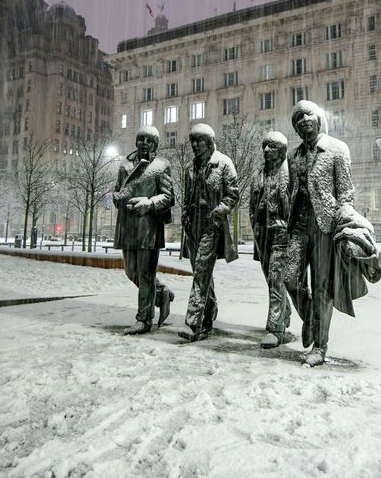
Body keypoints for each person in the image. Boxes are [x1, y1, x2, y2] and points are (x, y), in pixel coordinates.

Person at [287, 100, 377, 367]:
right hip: (299, 227)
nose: (304, 120)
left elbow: (346, 192)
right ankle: (313, 321)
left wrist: (345, 219)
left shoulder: (337, 149)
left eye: (308, 115)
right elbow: (293, 191)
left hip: (325, 226)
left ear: (318, 119)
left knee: (322, 287)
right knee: (289, 279)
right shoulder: (293, 156)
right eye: (298, 118)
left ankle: (320, 346)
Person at [113, 126, 176, 335]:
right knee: (131, 272)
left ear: (155, 145)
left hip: (148, 228)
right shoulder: (124, 165)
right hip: (127, 226)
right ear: (136, 142)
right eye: (141, 139)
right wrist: (115, 197)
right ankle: (161, 295)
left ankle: (144, 319)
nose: (145, 144)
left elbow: (168, 197)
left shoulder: (161, 166)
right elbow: (117, 190)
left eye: (149, 140)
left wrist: (148, 204)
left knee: (146, 274)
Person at [180, 123, 240, 342]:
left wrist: (219, 212)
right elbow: (187, 197)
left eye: (199, 140)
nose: (195, 144)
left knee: (201, 273)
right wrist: (185, 216)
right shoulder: (189, 167)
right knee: (202, 273)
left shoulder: (224, 163)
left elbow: (233, 194)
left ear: (210, 141)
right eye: (192, 140)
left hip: (211, 227)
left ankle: (192, 323)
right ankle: (210, 310)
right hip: (192, 228)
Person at [249, 131, 309, 348]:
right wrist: (256, 227)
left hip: (283, 236)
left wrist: (289, 227)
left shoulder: (291, 173)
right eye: (265, 146)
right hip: (263, 235)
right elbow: (252, 203)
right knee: (270, 279)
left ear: (281, 150)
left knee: (276, 279)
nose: (266, 150)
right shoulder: (259, 173)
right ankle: (284, 312)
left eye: (271, 146)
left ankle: (275, 328)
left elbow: (299, 204)